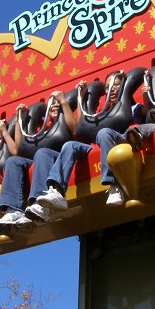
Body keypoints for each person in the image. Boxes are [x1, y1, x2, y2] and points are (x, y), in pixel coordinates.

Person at [34, 71, 132, 215]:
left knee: (104, 132)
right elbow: (81, 127)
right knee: (69, 146)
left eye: (116, 85)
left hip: (119, 141)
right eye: (107, 87)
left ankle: (113, 185)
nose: (111, 89)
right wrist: (82, 97)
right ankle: (56, 191)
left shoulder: (130, 106)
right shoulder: (100, 112)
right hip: (96, 145)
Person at [0, 91, 76, 229]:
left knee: (42, 153)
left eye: (57, 104)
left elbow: (74, 129)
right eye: (52, 104)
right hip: (40, 161)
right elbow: (19, 149)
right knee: (13, 161)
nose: (54, 106)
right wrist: (20, 119)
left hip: (61, 158)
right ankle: (13, 210)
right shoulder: (42, 130)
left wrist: (63, 101)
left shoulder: (66, 119)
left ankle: (40, 204)